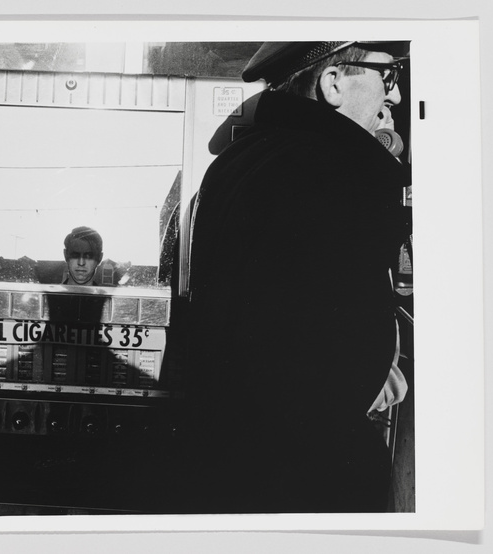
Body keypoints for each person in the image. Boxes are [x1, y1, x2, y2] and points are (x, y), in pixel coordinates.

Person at [180, 41, 412, 513]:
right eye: (387, 77)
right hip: (310, 477)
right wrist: (371, 372)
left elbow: (277, 320)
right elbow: (319, 360)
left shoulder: (238, 163)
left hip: (239, 465)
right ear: (333, 84)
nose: (397, 98)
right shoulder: (337, 170)